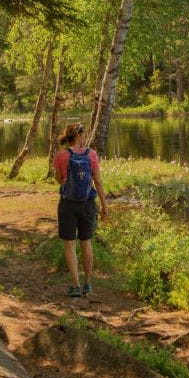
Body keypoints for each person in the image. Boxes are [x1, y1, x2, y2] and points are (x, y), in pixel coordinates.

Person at [53, 123, 109, 298]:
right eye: (83, 135)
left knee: (69, 244)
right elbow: (98, 182)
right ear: (78, 136)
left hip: (68, 204)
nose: (84, 137)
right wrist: (105, 205)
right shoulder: (91, 154)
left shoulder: (61, 155)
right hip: (87, 204)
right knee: (86, 243)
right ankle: (88, 284)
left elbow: (59, 179)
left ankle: (75, 285)